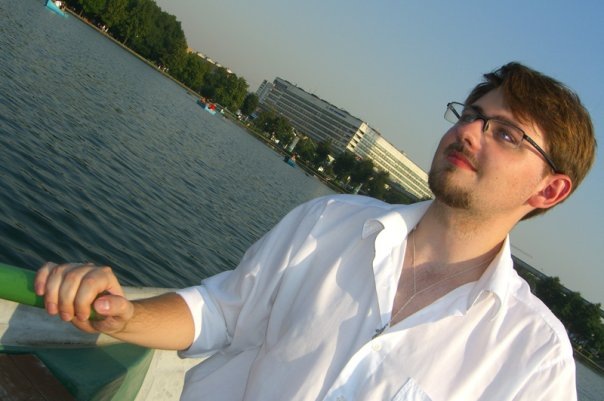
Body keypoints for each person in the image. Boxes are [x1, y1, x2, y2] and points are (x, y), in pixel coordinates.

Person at [35, 62, 596, 400]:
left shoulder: (534, 358)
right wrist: (125, 315)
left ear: (549, 191)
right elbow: (222, 312)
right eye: (471, 114)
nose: (470, 132)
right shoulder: (328, 222)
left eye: (506, 134)